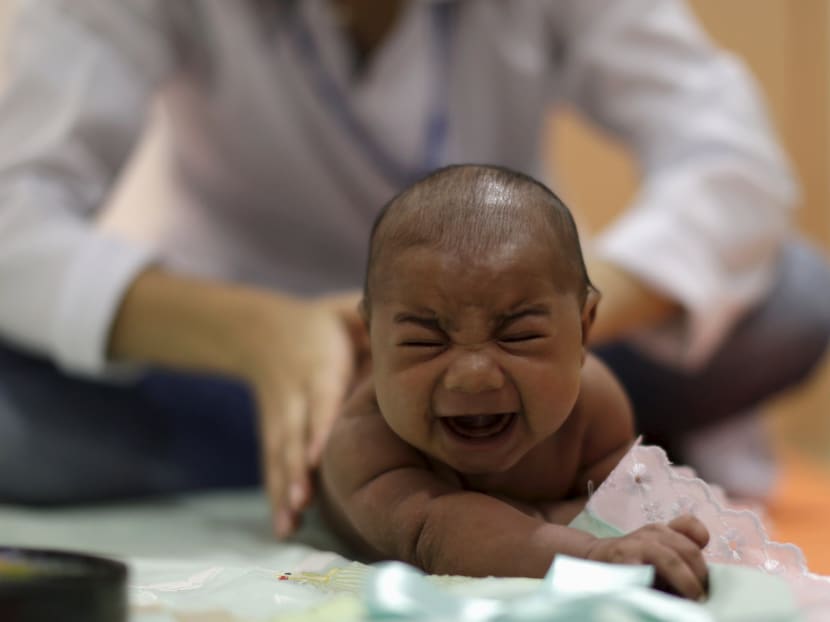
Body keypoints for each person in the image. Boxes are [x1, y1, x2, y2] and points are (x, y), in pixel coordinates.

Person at [0, 1, 827, 531]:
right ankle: (462, 457)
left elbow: (733, 165)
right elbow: (14, 212)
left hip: (537, 357)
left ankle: (427, 449)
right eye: (415, 339)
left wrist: (546, 322)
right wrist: (258, 334)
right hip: (237, 357)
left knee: (796, 298)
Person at [319, 164, 710, 599]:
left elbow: (622, 507)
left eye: (518, 336)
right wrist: (593, 554)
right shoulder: (364, 440)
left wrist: (650, 531)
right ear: (372, 338)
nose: (473, 376)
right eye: (423, 342)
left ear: (584, 327)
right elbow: (443, 534)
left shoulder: (594, 407)